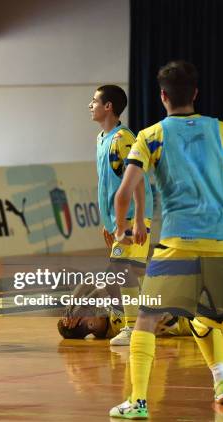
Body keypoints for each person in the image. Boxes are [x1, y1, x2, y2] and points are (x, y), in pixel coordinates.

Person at [109, 60, 223, 420]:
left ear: (163, 96)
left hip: (179, 243)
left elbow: (124, 191)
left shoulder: (151, 136)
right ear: (195, 94)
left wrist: (130, 224)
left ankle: (138, 401)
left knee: (146, 318)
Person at [89, 85, 154, 346]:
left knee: (121, 270)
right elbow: (107, 183)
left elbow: (137, 181)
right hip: (117, 222)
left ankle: (132, 327)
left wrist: (136, 219)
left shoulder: (123, 138)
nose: (90, 106)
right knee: (131, 272)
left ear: (109, 107)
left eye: (94, 101)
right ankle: (146, 321)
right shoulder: (101, 139)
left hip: (132, 219)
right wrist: (108, 222)